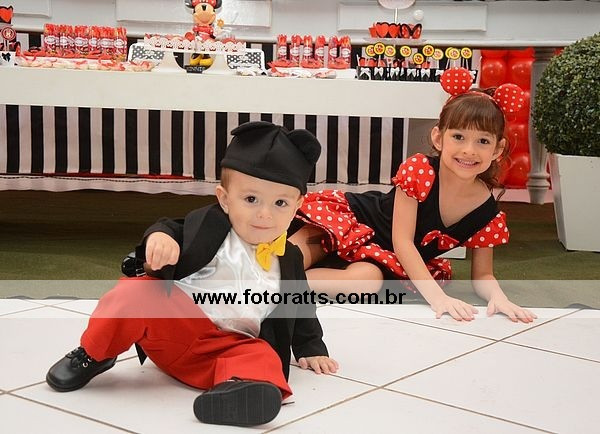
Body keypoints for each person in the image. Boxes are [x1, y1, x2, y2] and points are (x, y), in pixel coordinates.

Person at [46, 121, 338, 427]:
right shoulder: (210, 223)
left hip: (230, 346)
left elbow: (300, 305)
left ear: (297, 206)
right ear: (225, 199)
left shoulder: (289, 257)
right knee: (136, 294)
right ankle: (94, 353)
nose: (265, 214)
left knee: (263, 357)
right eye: (251, 199)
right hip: (176, 329)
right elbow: (171, 226)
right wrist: (161, 239)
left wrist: (310, 347)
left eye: (280, 203)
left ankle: (238, 389)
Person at [289, 70, 537, 324]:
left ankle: (281, 287)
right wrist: (437, 298)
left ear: (498, 149)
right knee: (298, 250)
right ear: (438, 138)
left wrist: (498, 297)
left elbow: (483, 275)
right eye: (458, 137)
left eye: (483, 141)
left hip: (385, 258)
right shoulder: (420, 171)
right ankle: (272, 271)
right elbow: (403, 241)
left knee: (365, 283)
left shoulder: (487, 213)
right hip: (354, 221)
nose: (468, 150)